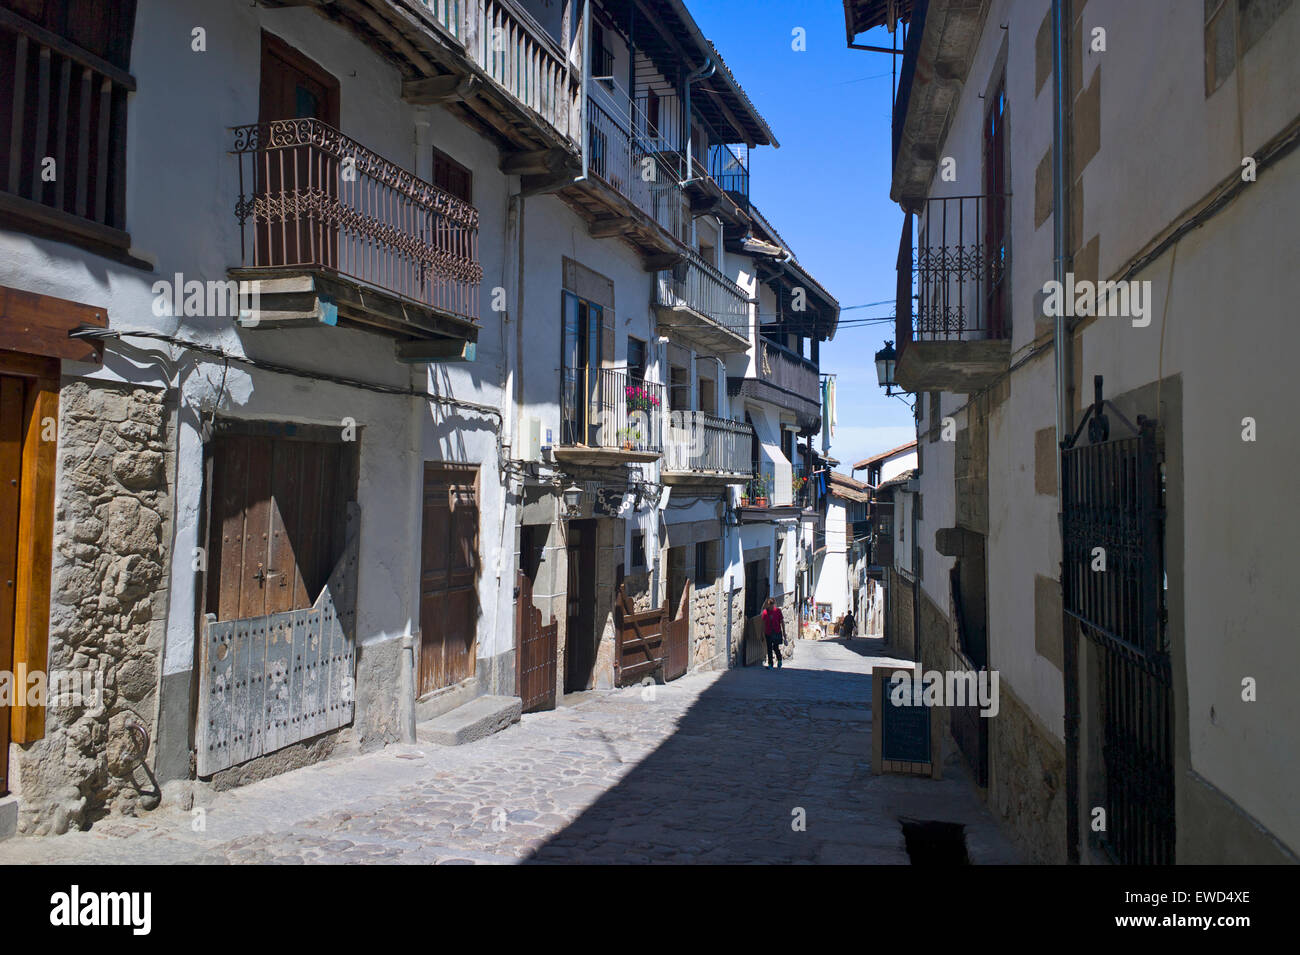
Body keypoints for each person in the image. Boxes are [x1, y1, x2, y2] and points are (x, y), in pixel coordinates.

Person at [761, 597, 785, 669]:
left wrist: (784, 632)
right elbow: (763, 624)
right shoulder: (765, 612)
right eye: (769, 604)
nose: (770, 606)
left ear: (774, 604)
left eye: (771, 604)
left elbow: (782, 622)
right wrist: (762, 633)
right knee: (769, 648)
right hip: (768, 632)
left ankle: (779, 659)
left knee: (775, 647)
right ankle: (770, 664)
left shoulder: (778, 611)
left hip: (776, 632)